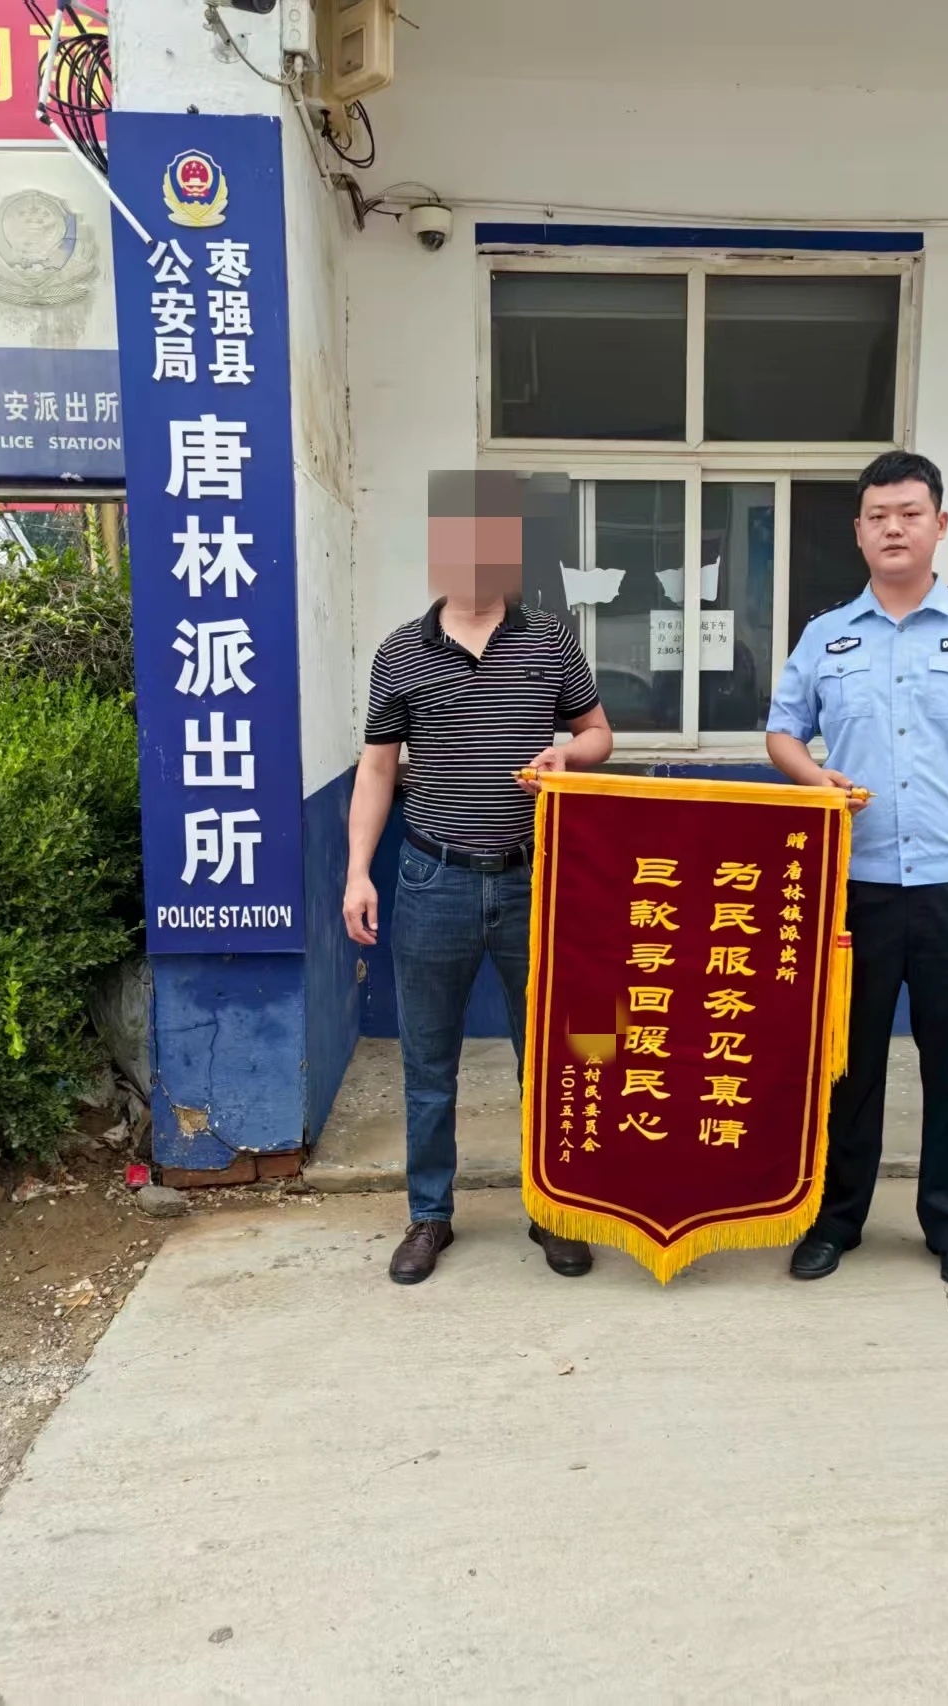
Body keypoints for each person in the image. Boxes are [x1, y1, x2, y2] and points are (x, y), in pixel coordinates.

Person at [766, 452, 948, 1295]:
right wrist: (813, 778)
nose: (893, 527)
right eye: (877, 515)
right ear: (857, 531)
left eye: (909, 513)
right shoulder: (824, 636)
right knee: (844, 1066)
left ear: (939, 525)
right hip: (854, 888)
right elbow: (781, 733)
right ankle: (834, 1219)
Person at [342, 471, 613, 1285]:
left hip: (535, 882)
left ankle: (553, 1209)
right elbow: (377, 768)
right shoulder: (400, 651)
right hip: (433, 880)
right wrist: (358, 873)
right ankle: (430, 1215)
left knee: (552, 1059)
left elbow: (597, 732)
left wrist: (568, 755)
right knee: (429, 1065)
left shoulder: (549, 640)